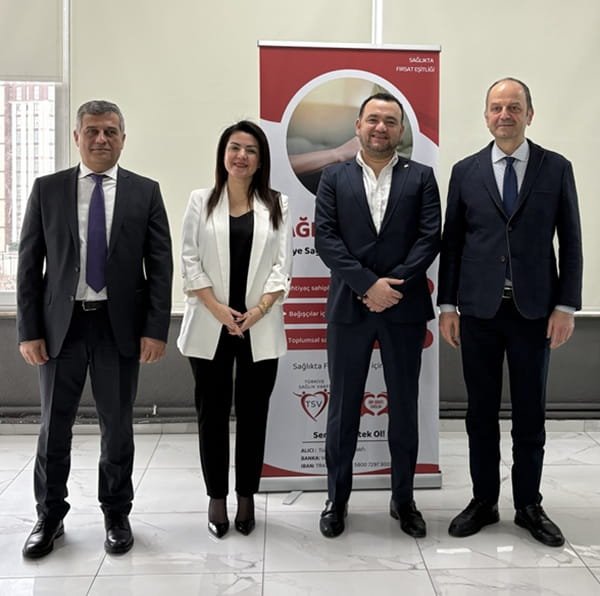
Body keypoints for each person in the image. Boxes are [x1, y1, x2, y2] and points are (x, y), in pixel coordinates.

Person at [17, 100, 173, 558]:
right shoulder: (48, 190)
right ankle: (49, 516)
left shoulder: (145, 192)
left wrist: (155, 329)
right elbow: (29, 264)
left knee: (117, 426)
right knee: (53, 427)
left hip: (117, 327)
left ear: (123, 138)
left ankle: (116, 513)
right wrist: (29, 330)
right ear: (77, 137)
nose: (101, 139)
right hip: (59, 328)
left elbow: (160, 267)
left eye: (110, 131)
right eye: (92, 131)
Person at [438, 77, 583, 547]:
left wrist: (565, 305)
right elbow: (452, 244)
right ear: (486, 116)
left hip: (534, 314)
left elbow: (571, 241)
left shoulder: (555, 168)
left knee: (529, 414)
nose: (505, 115)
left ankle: (528, 505)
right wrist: (447, 305)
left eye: (514, 107)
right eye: (497, 107)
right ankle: (484, 501)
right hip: (478, 312)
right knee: (479, 413)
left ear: (529, 115)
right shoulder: (466, 171)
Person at [314, 92, 441, 538]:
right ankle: (336, 499)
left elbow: (429, 238)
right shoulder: (333, 176)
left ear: (401, 130)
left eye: (390, 120)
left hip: (403, 308)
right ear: (358, 126)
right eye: (373, 119)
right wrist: (368, 285)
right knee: (342, 408)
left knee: (404, 407)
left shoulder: (421, 177)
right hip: (349, 306)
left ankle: (403, 500)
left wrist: (392, 287)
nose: (380, 127)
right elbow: (326, 238)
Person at [177, 121, 292, 539]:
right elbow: (189, 260)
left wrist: (258, 311)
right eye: (234, 148)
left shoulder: (277, 203)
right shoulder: (201, 200)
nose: (241, 156)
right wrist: (218, 309)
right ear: (223, 154)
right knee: (211, 414)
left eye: (251, 150)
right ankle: (216, 497)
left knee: (253, 414)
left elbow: (282, 266)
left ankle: (246, 495)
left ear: (261, 160)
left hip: (259, 325)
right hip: (211, 324)